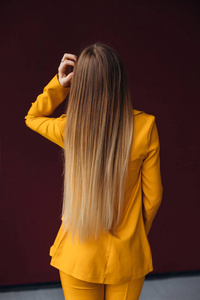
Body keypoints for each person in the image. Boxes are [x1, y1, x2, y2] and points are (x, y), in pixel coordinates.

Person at [25, 43, 163, 300]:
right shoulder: (145, 127)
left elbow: (32, 117)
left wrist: (59, 83)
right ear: (120, 80)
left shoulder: (70, 129)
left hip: (78, 254)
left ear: (82, 83)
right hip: (127, 256)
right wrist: (135, 235)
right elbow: (153, 197)